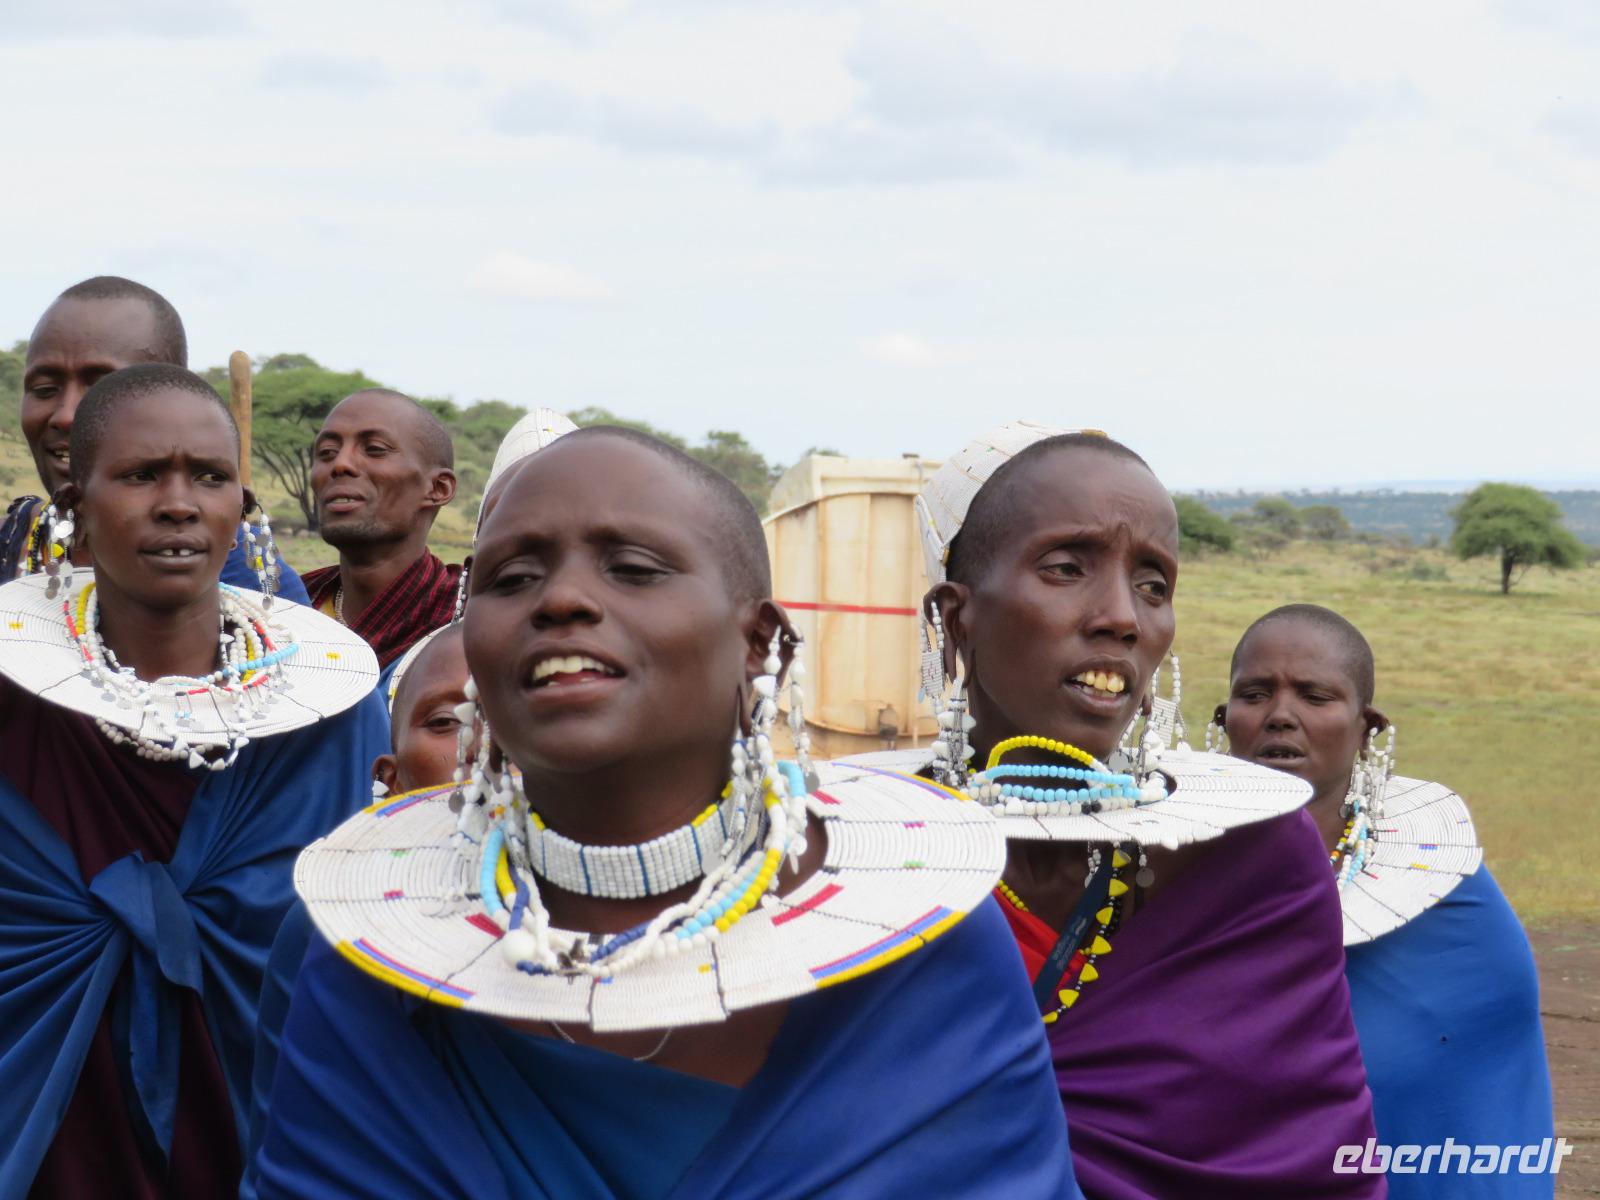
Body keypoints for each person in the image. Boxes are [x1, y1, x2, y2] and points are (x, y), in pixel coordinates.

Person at [255, 427, 1082, 1199]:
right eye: (512, 579)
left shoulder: (927, 935)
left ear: (759, 642)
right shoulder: (363, 955)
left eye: (635, 567)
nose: (563, 600)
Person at [898, 421, 1381, 1198]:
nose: (1123, 617)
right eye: (1066, 568)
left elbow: (1310, 1158)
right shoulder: (860, 855)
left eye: (1154, 585)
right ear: (955, 618)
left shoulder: (1255, 857)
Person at [0, 363, 385, 1197]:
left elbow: (357, 975)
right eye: (141, 476)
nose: (179, 503)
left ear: (241, 508)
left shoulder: (336, 717)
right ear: (74, 506)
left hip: (267, 1140)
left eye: (210, 478)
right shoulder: (11, 701)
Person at [1219, 604, 1554, 1199]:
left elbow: (1480, 1095)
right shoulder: (1164, 872)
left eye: (1315, 696)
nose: (1280, 716)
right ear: (1224, 719)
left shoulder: (1448, 900)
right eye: (1255, 693)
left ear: (1366, 727)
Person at [2, 275, 310, 604]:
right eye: (45, 390)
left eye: (101, 388)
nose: (64, 415)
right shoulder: (12, 544)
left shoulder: (259, 591)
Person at [300, 388, 460, 668]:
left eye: (374, 449)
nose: (340, 464)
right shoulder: (285, 614)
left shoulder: (466, 621)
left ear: (437, 488)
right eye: (326, 453)